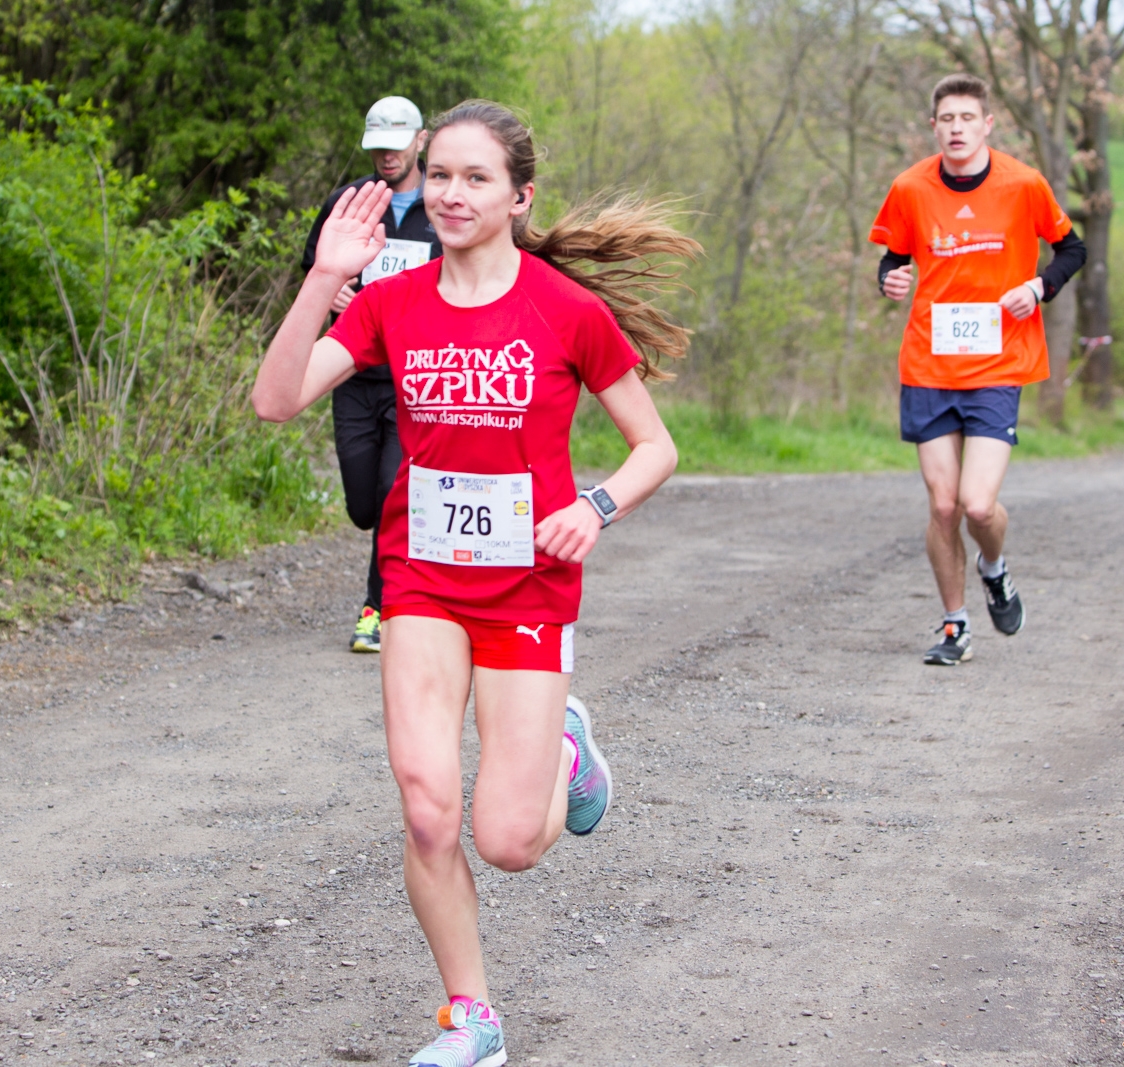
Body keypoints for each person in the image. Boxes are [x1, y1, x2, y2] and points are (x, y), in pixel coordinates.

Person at [252, 100, 696, 1067]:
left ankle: (570, 748)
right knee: (425, 807)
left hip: (528, 591)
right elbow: (275, 399)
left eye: (474, 178)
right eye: (440, 175)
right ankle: (473, 1017)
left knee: (507, 840)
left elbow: (655, 447)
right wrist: (326, 275)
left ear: (519, 197)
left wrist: (598, 507)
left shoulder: (567, 310)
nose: (450, 193)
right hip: (420, 580)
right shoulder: (387, 299)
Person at [872, 73, 1086, 666]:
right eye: (947, 119)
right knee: (942, 506)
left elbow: (1074, 249)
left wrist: (1040, 286)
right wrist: (890, 278)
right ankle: (954, 625)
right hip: (929, 364)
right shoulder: (910, 187)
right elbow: (894, 256)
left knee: (977, 507)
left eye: (968, 118)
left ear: (987, 124)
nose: (957, 128)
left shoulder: (1023, 184)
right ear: (934, 126)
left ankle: (994, 566)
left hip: (999, 362)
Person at [301, 96, 443, 653]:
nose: (388, 156)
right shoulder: (352, 202)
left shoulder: (441, 204)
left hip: (417, 381)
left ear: (421, 140)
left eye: (397, 144)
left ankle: (378, 609)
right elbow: (314, 261)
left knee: (392, 497)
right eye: (378, 147)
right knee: (364, 507)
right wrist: (327, 285)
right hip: (356, 373)